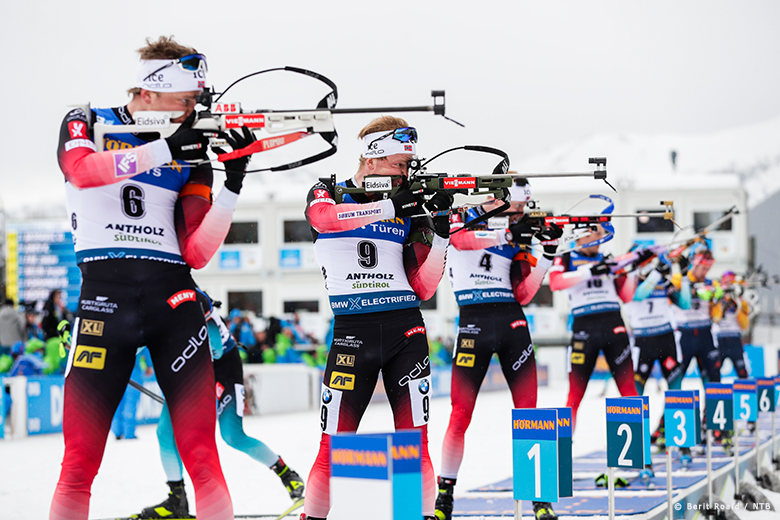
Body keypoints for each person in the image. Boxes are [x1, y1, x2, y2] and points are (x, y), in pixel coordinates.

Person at [51, 35, 254, 520]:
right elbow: (80, 170)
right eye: (185, 99)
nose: (192, 109)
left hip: (174, 299)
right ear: (148, 91)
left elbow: (197, 252)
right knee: (79, 462)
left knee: (204, 458)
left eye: (196, 101)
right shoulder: (89, 119)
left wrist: (233, 183)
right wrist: (163, 150)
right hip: (106, 296)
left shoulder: (191, 147)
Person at [301, 116, 452, 520]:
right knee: (332, 446)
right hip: (353, 332)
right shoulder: (328, 190)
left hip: (406, 330)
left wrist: (440, 233)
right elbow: (323, 220)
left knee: (414, 444)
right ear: (371, 159)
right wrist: (389, 206)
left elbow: (424, 287)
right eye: (399, 164)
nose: (405, 173)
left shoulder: (408, 205)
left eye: (408, 165)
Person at [434, 179, 563, 520]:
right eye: (515, 207)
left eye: (523, 209)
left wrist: (546, 255)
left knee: (531, 413)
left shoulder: (516, 233)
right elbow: (459, 240)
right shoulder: (466, 216)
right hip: (473, 322)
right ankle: (444, 497)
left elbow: (524, 293)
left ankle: (540, 497)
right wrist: (503, 233)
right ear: (497, 199)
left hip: (511, 321)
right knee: (460, 415)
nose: (519, 214)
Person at [138, 291, 304, 519]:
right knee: (165, 433)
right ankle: (177, 498)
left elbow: (213, 336)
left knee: (232, 435)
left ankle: (286, 474)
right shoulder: (145, 298)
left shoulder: (186, 291)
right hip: (189, 369)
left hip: (223, 366)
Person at [549, 224, 639, 429]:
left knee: (629, 391)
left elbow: (626, 296)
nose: (600, 239)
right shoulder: (566, 256)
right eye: (596, 233)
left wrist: (632, 271)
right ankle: (565, 445)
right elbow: (555, 283)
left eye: (602, 234)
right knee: (574, 395)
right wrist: (590, 271)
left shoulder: (607, 258)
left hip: (613, 324)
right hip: (584, 328)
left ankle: (640, 452)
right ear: (582, 235)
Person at [711, 271, 750, 379]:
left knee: (742, 373)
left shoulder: (740, 301)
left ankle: (745, 392)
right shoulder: (717, 298)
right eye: (726, 283)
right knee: (714, 373)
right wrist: (722, 300)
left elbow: (744, 325)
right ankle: (713, 395)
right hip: (719, 339)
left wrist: (737, 303)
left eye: (731, 283)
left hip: (735, 339)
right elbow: (715, 318)